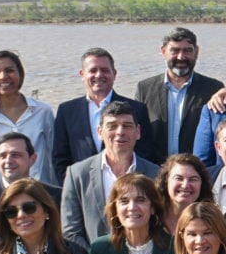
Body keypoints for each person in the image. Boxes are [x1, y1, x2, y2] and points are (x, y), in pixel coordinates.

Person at [61, 100, 161, 244]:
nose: (120, 132)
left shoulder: (156, 174)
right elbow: (71, 231)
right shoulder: (77, 174)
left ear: (138, 132)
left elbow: (161, 224)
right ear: (100, 132)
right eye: (112, 126)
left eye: (127, 126)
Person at [51, 47, 155, 182]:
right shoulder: (67, 111)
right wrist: (72, 188)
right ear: (82, 74)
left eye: (105, 70)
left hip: (127, 190)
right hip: (84, 191)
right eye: (93, 70)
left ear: (114, 74)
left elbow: (145, 154)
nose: (99, 75)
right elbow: (60, 158)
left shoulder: (136, 109)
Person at [0, 49, 57, 189]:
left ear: (20, 74)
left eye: (9, 70)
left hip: (37, 191)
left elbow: (52, 155)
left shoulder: (42, 111)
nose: (3, 76)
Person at [133, 27, 224, 159]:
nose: (181, 57)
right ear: (164, 52)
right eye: (175, 50)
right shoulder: (144, 88)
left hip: (196, 171)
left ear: (196, 52)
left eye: (187, 50)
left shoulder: (213, 89)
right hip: (155, 170)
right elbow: (138, 133)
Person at [0, 133, 61, 222]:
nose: (8, 161)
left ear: (32, 159)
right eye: (3, 156)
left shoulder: (56, 196)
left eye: (15, 155)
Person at [157, 153, 213, 229]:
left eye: (193, 179)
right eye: (179, 178)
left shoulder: (212, 222)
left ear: (202, 184)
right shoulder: (151, 217)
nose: (185, 185)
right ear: (166, 181)